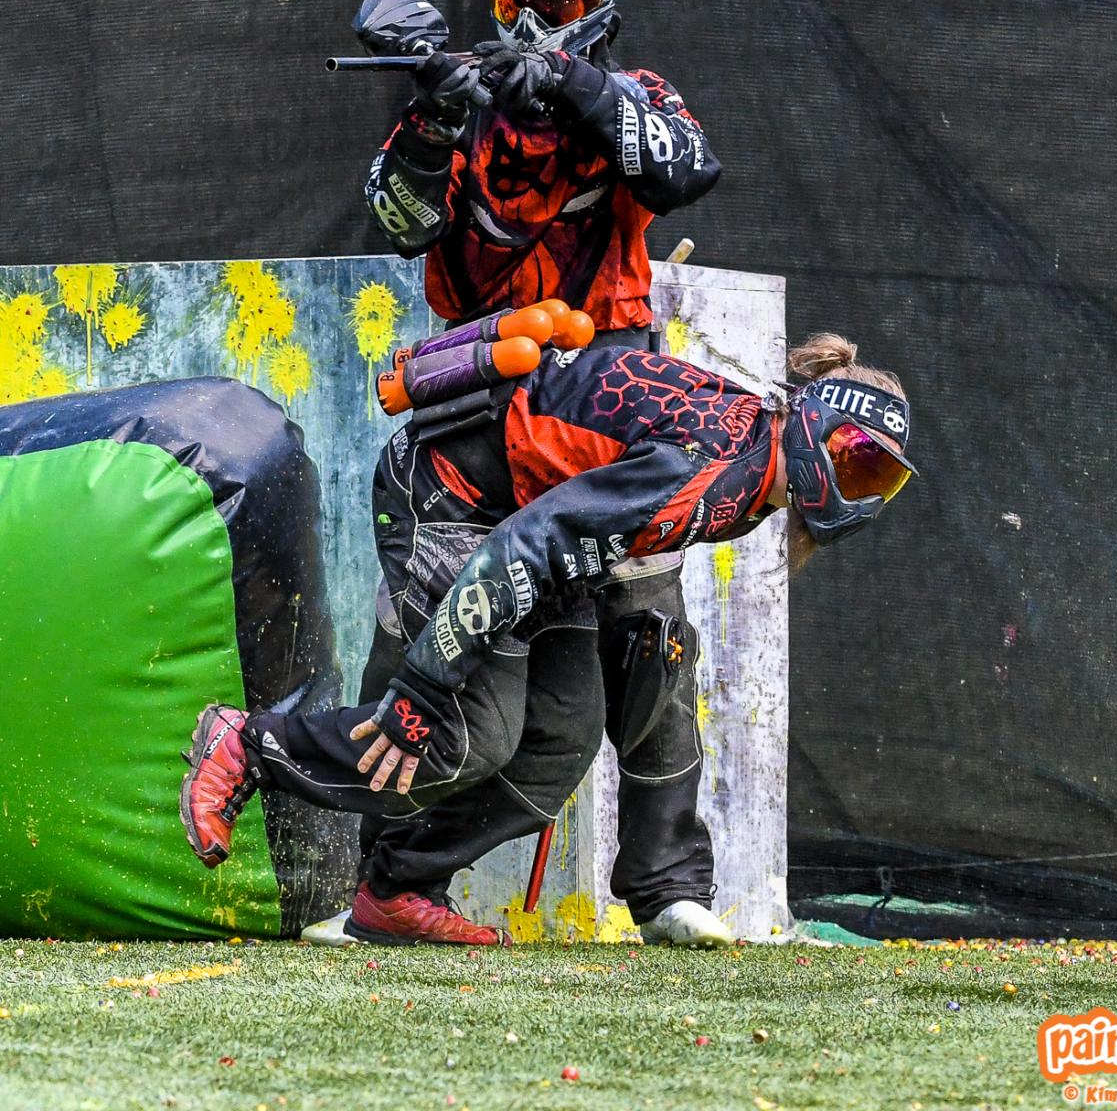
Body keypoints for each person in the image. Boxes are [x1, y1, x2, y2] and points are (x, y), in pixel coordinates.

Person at [180, 334, 916, 947]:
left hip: (528, 517)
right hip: (452, 495)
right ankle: (247, 745)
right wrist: (427, 684)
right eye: (857, 459)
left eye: (880, 481)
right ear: (811, 422)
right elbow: (527, 546)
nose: (861, 492)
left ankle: (397, 890)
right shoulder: (717, 465)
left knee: (559, 740)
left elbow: (575, 524)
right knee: (459, 737)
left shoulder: (753, 466)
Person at [336, 0, 731, 947]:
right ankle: (376, 877)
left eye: (555, 4)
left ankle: (667, 887)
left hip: (612, 419)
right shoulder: (464, 110)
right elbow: (399, 220)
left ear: (596, 14)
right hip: (478, 428)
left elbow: (686, 168)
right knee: (438, 651)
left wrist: (568, 84)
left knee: (650, 646)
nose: (529, 22)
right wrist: (435, 108)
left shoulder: (634, 93)